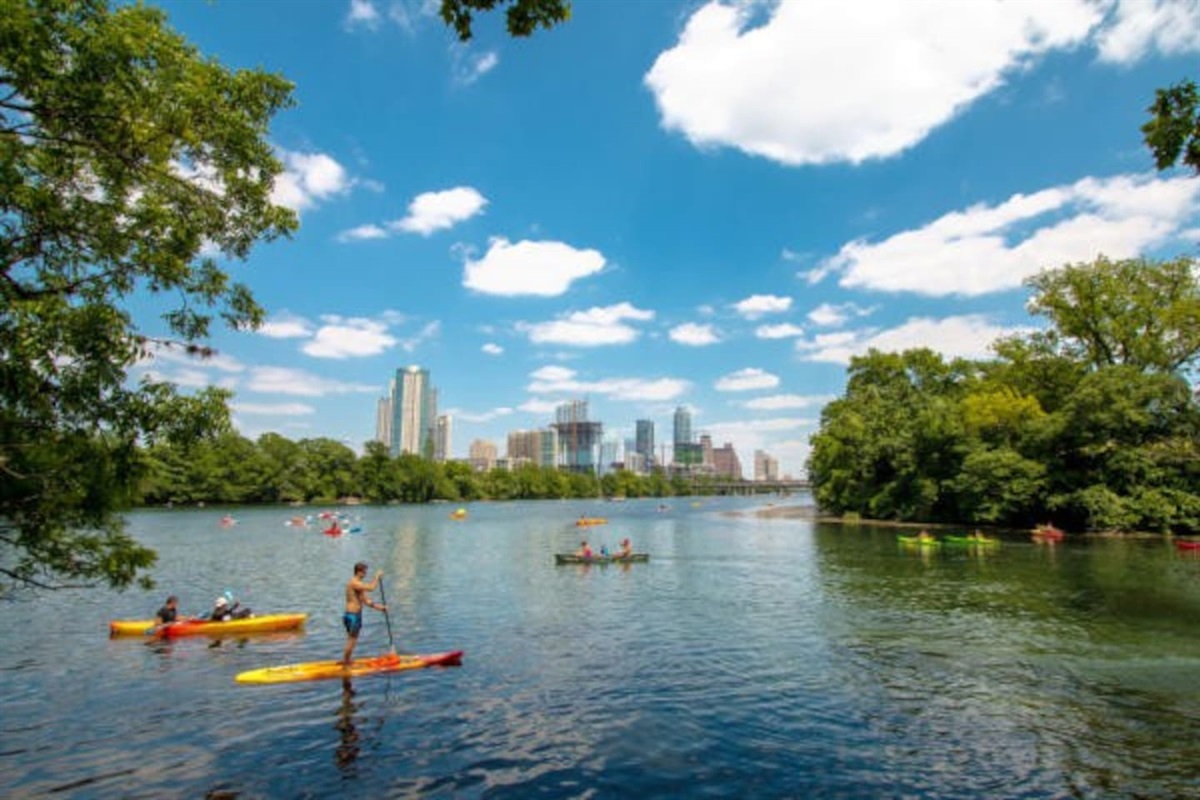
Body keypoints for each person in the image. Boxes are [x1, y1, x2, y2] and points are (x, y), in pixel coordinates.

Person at [342, 562, 386, 666]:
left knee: (353, 640)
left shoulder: (358, 586)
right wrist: (376, 577)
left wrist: (380, 608)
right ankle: (346, 663)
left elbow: (365, 601)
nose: (365, 574)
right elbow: (371, 588)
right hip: (352, 616)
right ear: (359, 572)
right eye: (364, 572)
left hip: (355, 615)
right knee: (352, 640)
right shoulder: (354, 583)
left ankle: (347, 661)